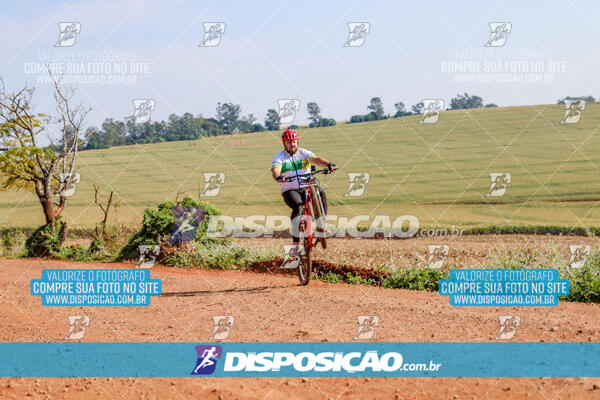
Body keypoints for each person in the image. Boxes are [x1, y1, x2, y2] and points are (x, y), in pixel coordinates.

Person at [271, 129, 338, 253]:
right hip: (290, 190)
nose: (292, 144)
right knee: (298, 206)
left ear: (297, 142)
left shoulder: (304, 153)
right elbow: (276, 169)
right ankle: (295, 243)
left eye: (294, 142)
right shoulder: (279, 157)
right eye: (289, 142)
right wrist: (278, 176)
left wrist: (329, 164)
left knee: (321, 192)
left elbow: (316, 159)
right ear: (284, 143)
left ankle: (321, 226)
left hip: (307, 186)